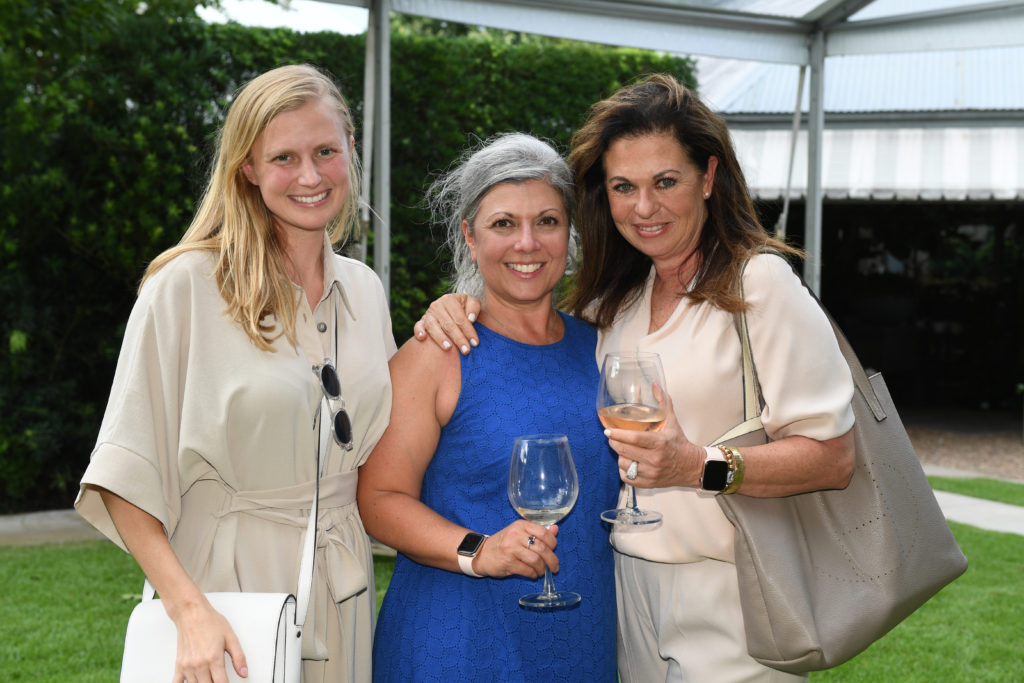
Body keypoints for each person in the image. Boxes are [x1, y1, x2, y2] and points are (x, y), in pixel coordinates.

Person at [415, 74, 857, 682]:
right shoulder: (615, 303)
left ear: (708, 177)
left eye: (665, 182)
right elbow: (522, 328)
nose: (644, 207)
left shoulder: (760, 285)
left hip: (731, 594)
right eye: (624, 187)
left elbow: (834, 459)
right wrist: (455, 303)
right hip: (624, 598)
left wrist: (696, 464)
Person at [75, 64, 395, 683]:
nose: (309, 176)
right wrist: (189, 611)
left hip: (344, 591)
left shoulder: (366, 289)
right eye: (284, 157)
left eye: (326, 151)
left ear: (351, 150)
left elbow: (384, 447)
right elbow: (121, 474)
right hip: (225, 598)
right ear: (247, 168)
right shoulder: (185, 287)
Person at [357, 133, 619, 683]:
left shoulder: (601, 347)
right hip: (457, 645)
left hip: (580, 644)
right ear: (469, 237)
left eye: (546, 221)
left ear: (569, 233)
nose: (527, 243)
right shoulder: (438, 352)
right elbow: (378, 499)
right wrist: (478, 549)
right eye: (503, 224)